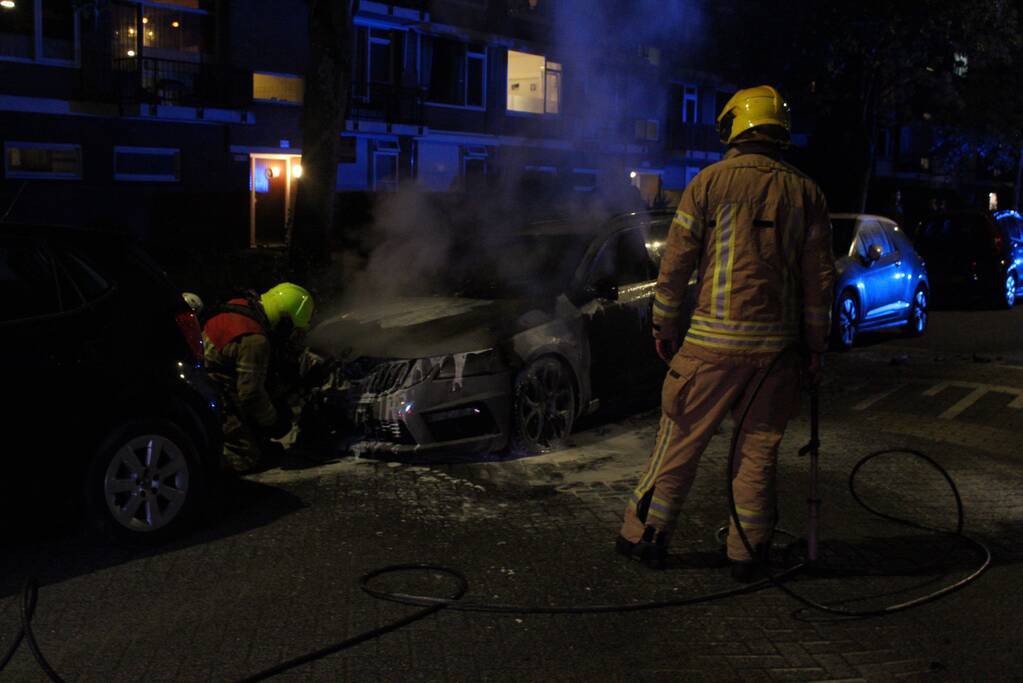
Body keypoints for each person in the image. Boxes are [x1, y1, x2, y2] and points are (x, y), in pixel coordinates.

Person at [615, 85, 835, 581]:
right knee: (757, 453)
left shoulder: (708, 184)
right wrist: (816, 348)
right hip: (777, 355)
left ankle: (645, 538)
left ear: (735, 124)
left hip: (709, 350)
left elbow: (674, 266)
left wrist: (663, 326)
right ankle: (748, 553)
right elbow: (820, 282)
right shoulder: (807, 193)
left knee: (679, 443)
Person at [203, 282, 315, 474]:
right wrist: (273, 420)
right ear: (285, 321)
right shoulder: (255, 341)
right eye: (293, 330)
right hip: (217, 398)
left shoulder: (239, 307)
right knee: (246, 457)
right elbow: (251, 395)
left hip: (205, 387)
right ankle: (203, 464)